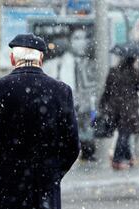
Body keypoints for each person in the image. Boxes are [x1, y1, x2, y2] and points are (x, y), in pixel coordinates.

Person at [0, 34, 80, 209]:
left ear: (13, 59)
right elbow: (72, 146)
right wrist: (51, 174)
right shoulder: (61, 91)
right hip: (43, 195)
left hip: (3, 193)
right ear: (41, 59)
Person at [43, 28, 97, 161]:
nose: (82, 42)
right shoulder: (56, 64)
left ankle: (86, 152)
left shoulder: (89, 64)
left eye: (84, 38)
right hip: (67, 104)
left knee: (85, 129)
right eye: (77, 38)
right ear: (69, 41)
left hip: (84, 105)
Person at [99, 56, 139, 170]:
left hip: (114, 108)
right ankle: (117, 160)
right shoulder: (134, 73)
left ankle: (129, 157)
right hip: (128, 109)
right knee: (124, 134)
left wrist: (103, 104)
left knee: (123, 133)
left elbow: (107, 89)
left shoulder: (113, 71)